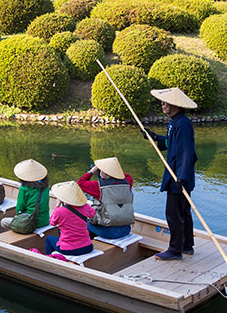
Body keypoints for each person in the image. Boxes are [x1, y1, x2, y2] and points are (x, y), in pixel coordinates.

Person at [143, 88, 198, 261]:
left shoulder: (182, 124)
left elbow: (186, 152)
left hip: (179, 177)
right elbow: (170, 142)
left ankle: (175, 250)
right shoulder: (175, 122)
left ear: (174, 105)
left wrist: (181, 177)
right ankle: (187, 246)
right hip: (180, 175)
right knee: (183, 212)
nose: (162, 104)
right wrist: (154, 137)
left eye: (165, 102)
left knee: (174, 213)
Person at [76, 156, 134, 239]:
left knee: (81, 221)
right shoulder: (128, 182)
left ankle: (87, 245)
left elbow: (80, 183)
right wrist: (112, 169)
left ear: (105, 173)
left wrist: (91, 171)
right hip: (126, 230)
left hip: (108, 232)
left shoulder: (99, 187)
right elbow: (124, 175)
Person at [45, 181, 95, 256]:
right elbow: (93, 214)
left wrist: (57, 205)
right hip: (87, 247)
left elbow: (52, 222)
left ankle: (49, 258)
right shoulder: (86, 207)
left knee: (49, 239)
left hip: (69, 249)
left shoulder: (60, 211)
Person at [1, 158, 50, 232]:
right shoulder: (46, 187)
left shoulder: (24, 188)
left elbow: (20, 208)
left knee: (3, 221)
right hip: (45, 221)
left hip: (31, 222)